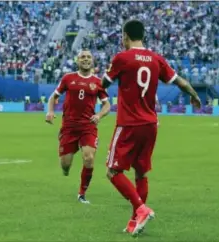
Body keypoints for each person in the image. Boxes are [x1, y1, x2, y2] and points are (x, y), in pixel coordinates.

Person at [101, 19, 201, 236]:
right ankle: (134, 221)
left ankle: (141, 209)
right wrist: (194, 96)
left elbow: (104, 83)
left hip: (129, 123)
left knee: (112, 171)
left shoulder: (122, 58)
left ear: (125, 36)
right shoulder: (156, 58)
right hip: (150, 123)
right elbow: (180, 82)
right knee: (141, 172)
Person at [46, 50, 111, 204]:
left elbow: (107, 105)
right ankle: (66, 167)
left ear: (93, 61)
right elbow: (53, 97)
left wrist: (99, 115)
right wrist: (50, 111)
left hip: (88, 126)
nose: (86, 59)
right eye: (82, 57)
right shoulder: (68, 78)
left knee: (89, 158)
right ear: (77, 61)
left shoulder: (98, 82)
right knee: (65, 165)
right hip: (68, 127)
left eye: (88, 57)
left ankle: (82, 194)